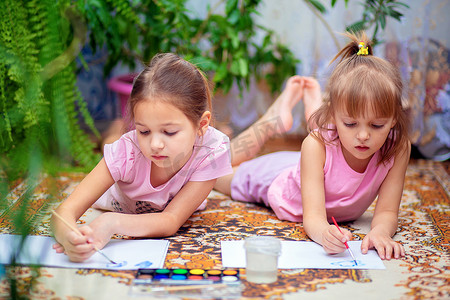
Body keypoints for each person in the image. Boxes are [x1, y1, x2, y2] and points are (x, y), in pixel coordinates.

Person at [214, 32, 411, 260]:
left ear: (394, 119)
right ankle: (271, 119)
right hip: (280, 179)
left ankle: (313, 114)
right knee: (211, 171)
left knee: (321, 142)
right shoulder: (314, 146)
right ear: (335, 116)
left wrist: (380, 232)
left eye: (377, 125)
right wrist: (324, 232)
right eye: (350, 123)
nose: (364, 135)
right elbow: (314, 219)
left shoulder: (398, 148)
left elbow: (387, 211)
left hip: (314, 164)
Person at [51, 53, 232, 262]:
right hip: (118, 193)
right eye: (144, 131)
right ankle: (112, 132)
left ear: (202, 124)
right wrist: (68, 236)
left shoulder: (213, 148)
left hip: (152, 211)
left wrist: (111, 223)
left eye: (169, 132)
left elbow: (170, 220)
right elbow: (62, 213)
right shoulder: (127, 151)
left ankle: (112, 131)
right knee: (114, 147)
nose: (155, 144)